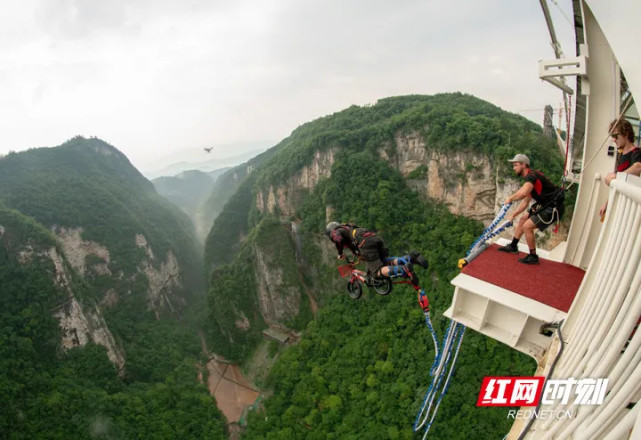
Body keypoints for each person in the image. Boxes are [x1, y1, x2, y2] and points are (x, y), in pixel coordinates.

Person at [497, 154, 564, 264]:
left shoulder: (531, 176)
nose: (514, 168)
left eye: (515, 165)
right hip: (545, 204)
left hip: (553, 207)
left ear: (523, 165)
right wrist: (514, 215)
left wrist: (510, 198)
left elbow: (523, 193)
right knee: (524, 218)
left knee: (527, 227)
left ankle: (533, 256)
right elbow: (525, 202)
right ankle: (513, 245)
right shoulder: (532, 178)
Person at [325, 222, 428, 286]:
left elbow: (338, 240)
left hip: (365, 243)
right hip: (374, 239)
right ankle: (412, 258)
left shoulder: (334, 232)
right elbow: (354, 246)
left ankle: (402, 269)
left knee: (376, 271)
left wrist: (340, 253)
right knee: (385, 262)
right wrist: (359, 255)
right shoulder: (348, 228)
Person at [599, 119, 641, 219]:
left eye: (615, 136)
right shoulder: (620, 156)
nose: (613, 140)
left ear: (625, 134)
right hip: (621, 205)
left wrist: (616, 176)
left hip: (630, 208)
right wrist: (607, 203)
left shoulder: (636, 152)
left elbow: (638, 167)